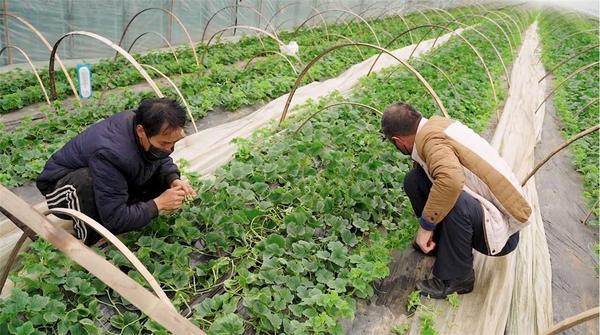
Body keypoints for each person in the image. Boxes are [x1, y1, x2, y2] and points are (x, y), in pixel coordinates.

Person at [381, 102, 531, 299]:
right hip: (488, 211)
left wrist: (425, 227)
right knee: (414, 181)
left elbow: (451, 182)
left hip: (504, 231)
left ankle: (458, 277)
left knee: (453, 199)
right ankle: (440, 245)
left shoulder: (431, 142)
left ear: (398, 141)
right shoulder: (435, 126)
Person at [36, 98, 196, 246]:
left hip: (108, 173)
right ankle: (90, 241)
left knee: (159, 182)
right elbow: (115, 219)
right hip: (61, 188)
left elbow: (160, 159)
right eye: (164, 143)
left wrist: (173, 179)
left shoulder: (145, 124)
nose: (169, 149)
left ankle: (125, 211)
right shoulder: (111, 152)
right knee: (87, 185)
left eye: (174, 143)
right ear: (141, 132)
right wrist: (157, 204)